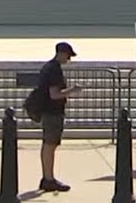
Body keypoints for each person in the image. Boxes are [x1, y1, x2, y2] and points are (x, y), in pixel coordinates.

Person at [37, 42, 81, 193]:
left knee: (48, 145)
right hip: (53, 112)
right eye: (68, 56)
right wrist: (72, 90)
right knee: (50, 144)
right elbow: (54, 94)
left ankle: (47, 177)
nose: (69, 59)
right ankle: (49, 179)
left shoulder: (47, 67)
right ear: (61, 53)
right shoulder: (54, 70)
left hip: (48, 111)